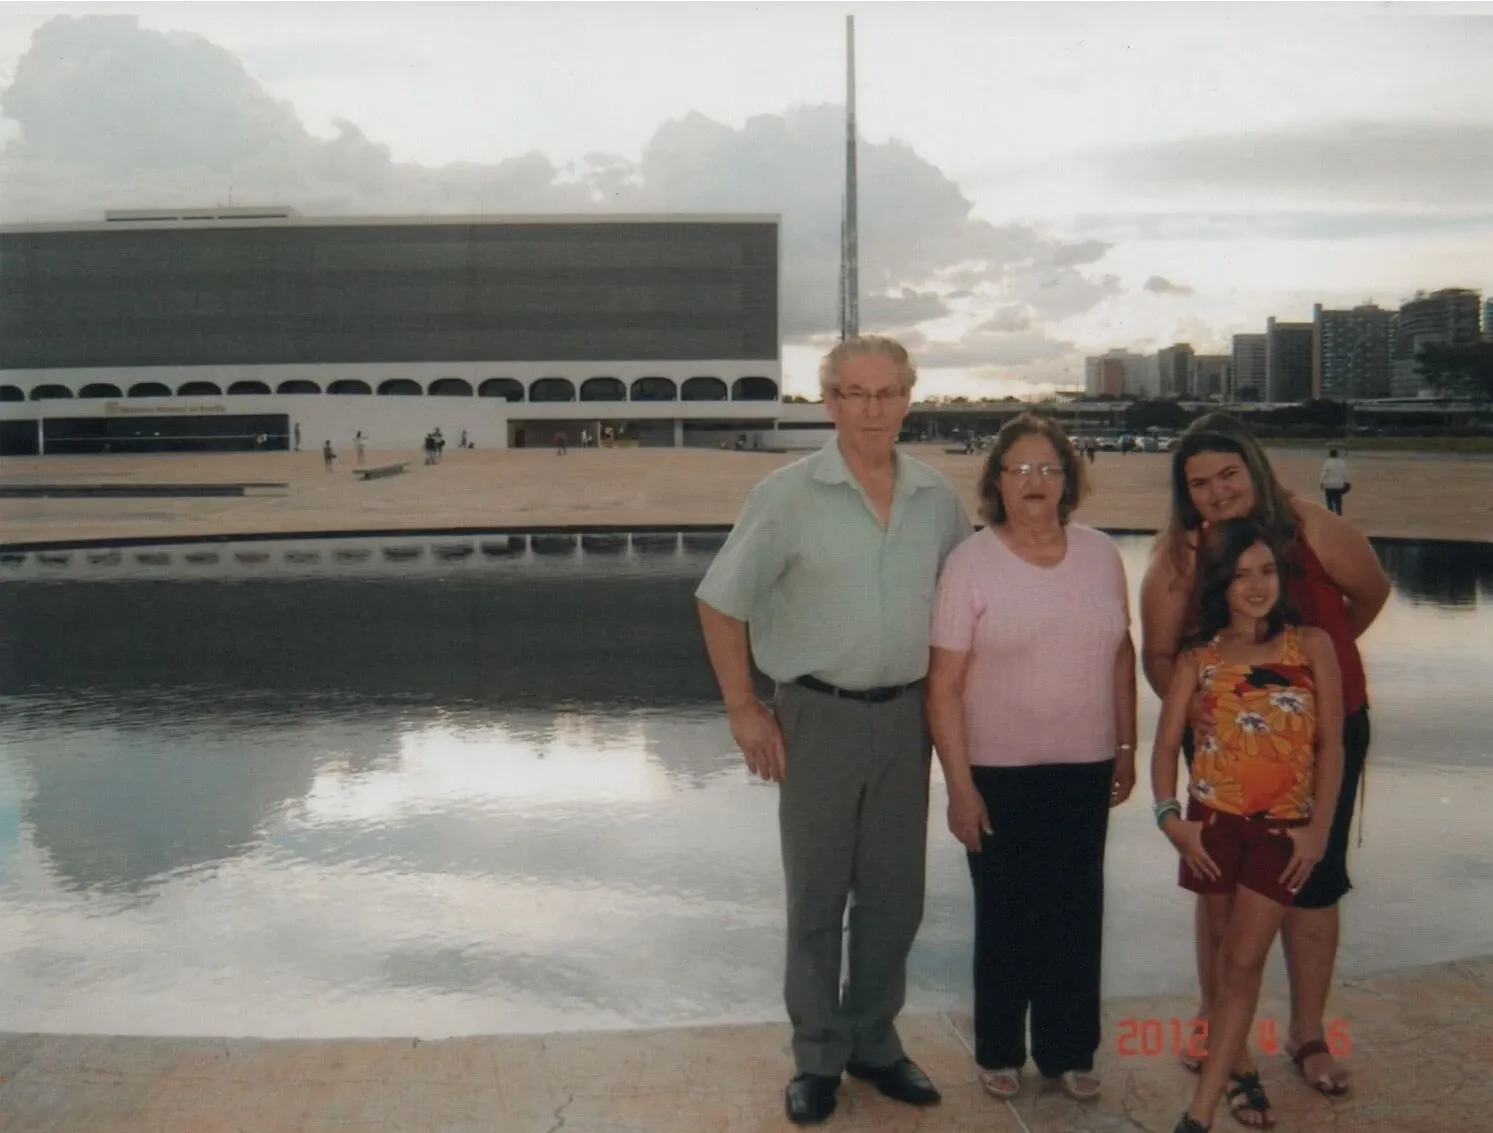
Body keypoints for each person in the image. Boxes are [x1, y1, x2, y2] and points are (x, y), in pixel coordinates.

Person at [694, 335, 971, 1126]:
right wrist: (744, 707)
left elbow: (963, 607)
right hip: (815, 715)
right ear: (829, 402)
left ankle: (875, 1043)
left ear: (908, 397)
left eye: (885, 392)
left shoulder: (935, 499)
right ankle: (818, 1054)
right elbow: (719, 601)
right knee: (817, 893)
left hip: (907, 718)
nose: (870, 409)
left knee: (894, 896)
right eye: (852, 393)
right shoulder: (785, 495)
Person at [1139, 412, 1389, 1113]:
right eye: (1198, 483)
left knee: (1312, 883)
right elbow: (1159, 655)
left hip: (1328, 737)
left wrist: (1312, 677)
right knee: (1222, 888)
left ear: (1252, 466)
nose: (1216, 491)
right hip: (1227, 748)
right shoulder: (1180, 558)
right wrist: (1206, 712)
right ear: (1184, 494)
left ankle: (1307, 1034)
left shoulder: (1309, 526)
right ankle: (1224, 1035)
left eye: (1227, 473)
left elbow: (1368, 593)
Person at [927, 413, 1136, 1104]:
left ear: (1069, 478)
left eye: (1048, 467)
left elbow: (1119, 652)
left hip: (1084, 768)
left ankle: (1068, 1049)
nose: (1034, 481)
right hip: (997, 774)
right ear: (996, 483)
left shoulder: (1102, 554)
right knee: (1006, 915)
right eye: (1018, 469)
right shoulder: (971, 562)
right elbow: (944, 686)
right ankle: (996, 1049)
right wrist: (958, 787)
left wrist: (1126, 746)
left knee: (1077, 911)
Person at [1152, 517, 1344, 1133]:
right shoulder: (1199, 657)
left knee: (1241, 960)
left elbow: (1331, 747)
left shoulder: (1309, 645)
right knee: (1220, 949)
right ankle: (1229, 1073)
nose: (1256, 585)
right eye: (1240, 575)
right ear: (1221, 585)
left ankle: (1200, 1113)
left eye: (1266, 571)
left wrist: (1318, 832)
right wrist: (1170, 819)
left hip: (1280, 832)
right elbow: (1164, 748)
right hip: (1211, 828)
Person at [1320, 448, 1349, 516]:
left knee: (1329, 501)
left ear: (1330, 455)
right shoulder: (1342, 463)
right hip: (1339, 485)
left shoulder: (1327, 462)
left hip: (1328, 485)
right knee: (1338, 500)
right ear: (1337, 455)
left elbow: (1324, 473)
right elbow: (1345, 474)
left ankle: (1330, 515)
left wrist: (1321, 482)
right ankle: (1339, 514)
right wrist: (1345, 482)